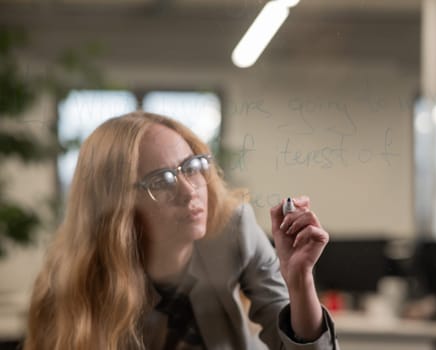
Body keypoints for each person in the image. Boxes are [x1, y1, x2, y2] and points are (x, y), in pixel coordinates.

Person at [23, 111, 340, 350]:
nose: (191, 192)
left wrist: (299, 282)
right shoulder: (74, 273)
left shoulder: (233, 230)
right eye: (162, 181)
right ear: (117, 202)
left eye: (191, 167)